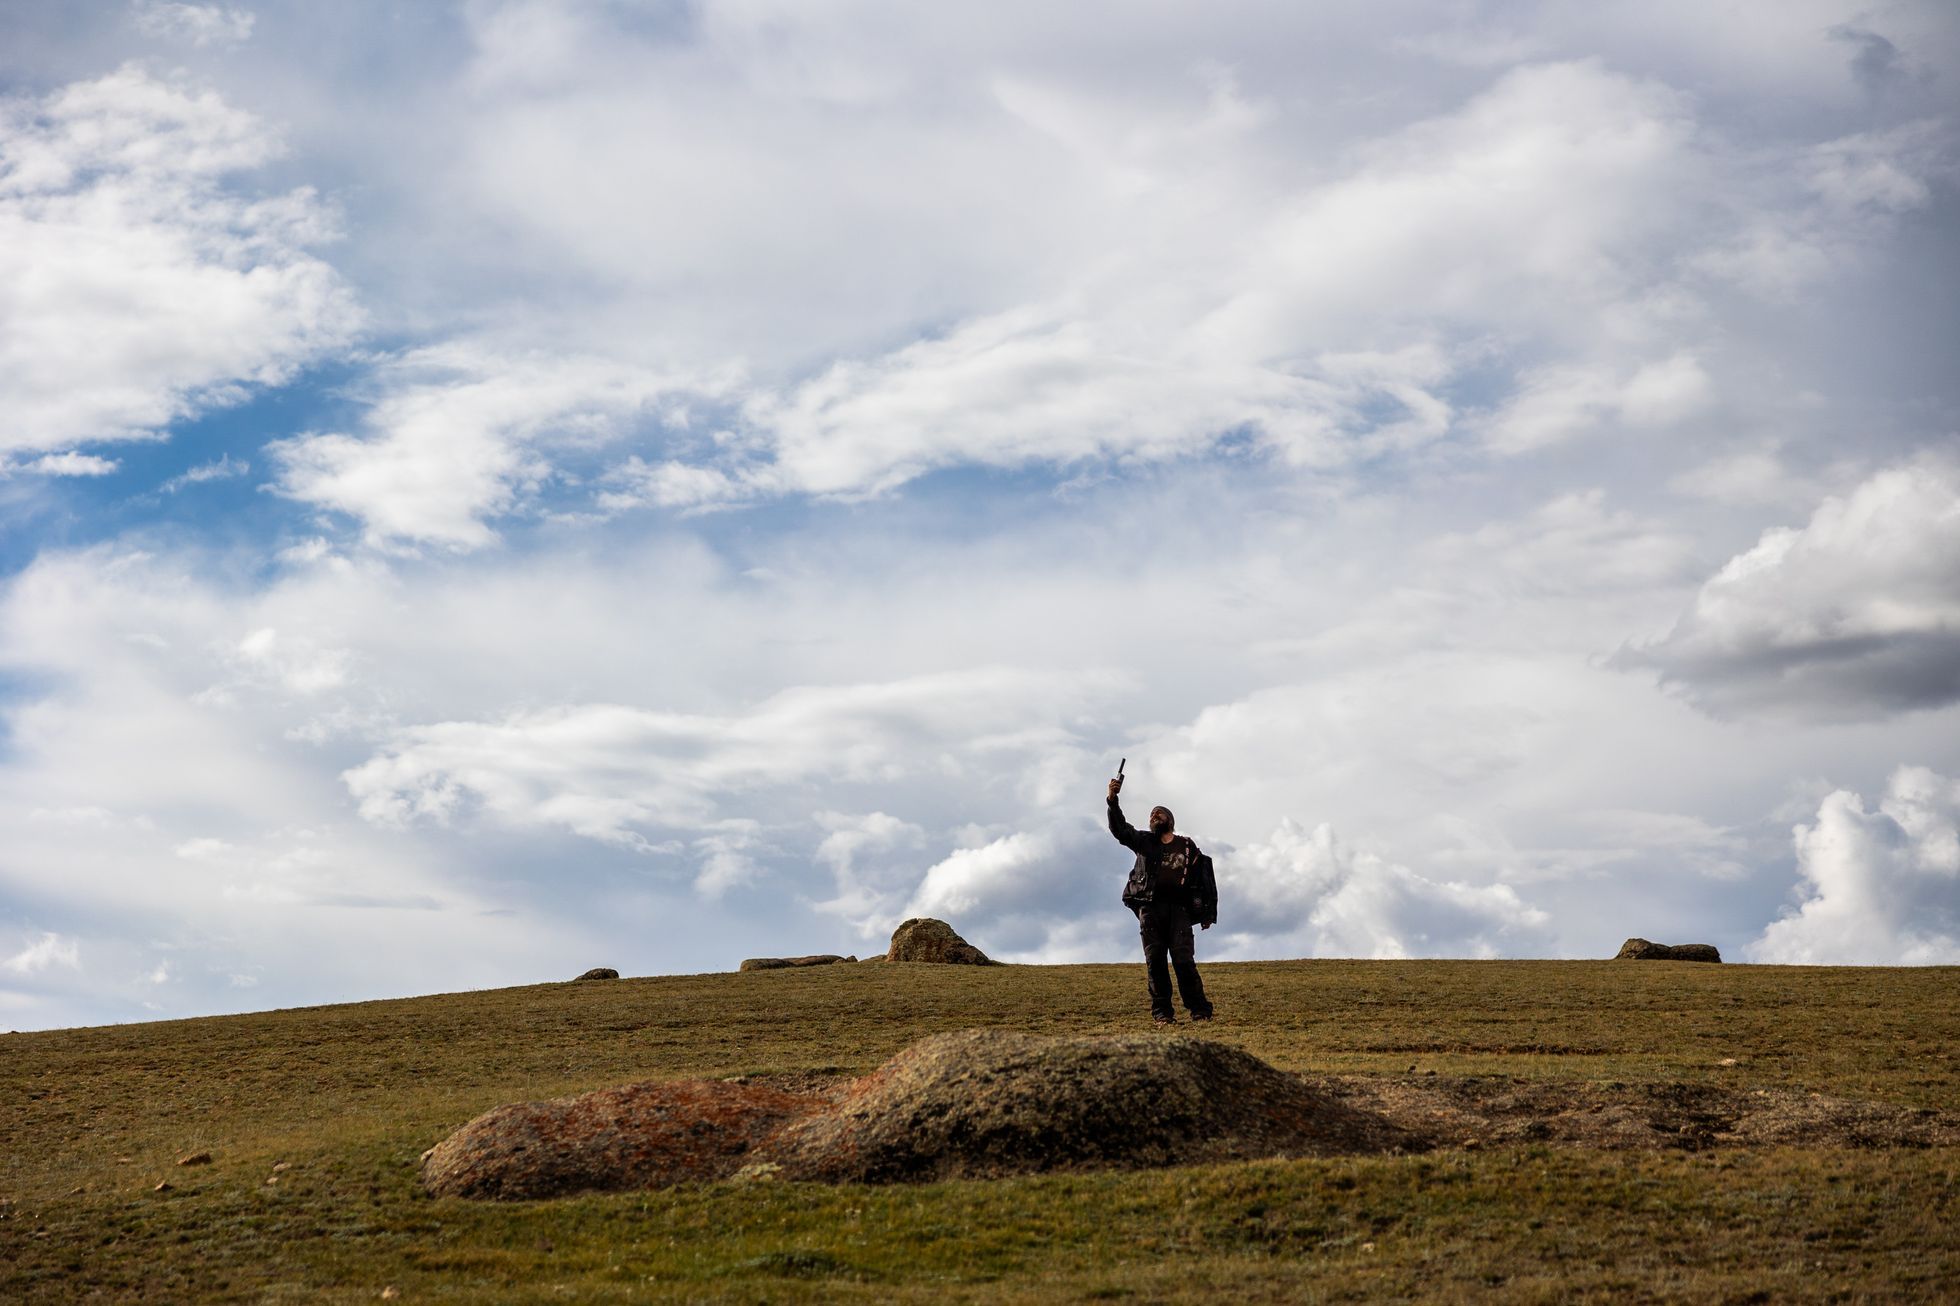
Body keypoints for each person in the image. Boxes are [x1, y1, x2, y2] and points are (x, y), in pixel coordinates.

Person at [1106, 772, 1216, 1025]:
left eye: (1159, 813)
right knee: (1155, 962)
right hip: (1150, 908)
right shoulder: (1144, 841)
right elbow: (1120, 830)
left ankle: (1199, 1011)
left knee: (1183, 961)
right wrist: (1113, 800)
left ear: (1170, 821)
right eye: (1151, 814)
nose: (1154, 816)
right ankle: (1162, 1014)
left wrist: (1206, 913)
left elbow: (1202, 880)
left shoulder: (1187, 846)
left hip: (1179, 910)